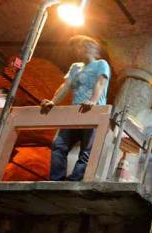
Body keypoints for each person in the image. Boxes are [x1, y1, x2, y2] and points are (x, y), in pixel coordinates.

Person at [41, 35, 110, 181]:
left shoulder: (101, 64)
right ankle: (56, 180)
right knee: (59, 145)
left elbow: (100, 83)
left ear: (93, 49)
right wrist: (53, 101)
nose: (80, 49)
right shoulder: (75, 67)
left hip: (93, 111)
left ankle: (75, 180)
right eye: (78, 47)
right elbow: (65, 86)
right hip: (75, 112)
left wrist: (92, 101)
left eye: (84, 46)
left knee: (86, 151)